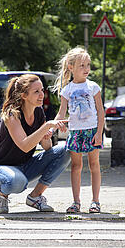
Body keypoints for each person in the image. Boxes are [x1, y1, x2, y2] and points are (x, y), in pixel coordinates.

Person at [0, 74, 70, 214]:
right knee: (17, 181)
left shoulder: (39, 112)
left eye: (42, 90)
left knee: (65, 149)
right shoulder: (12, 114)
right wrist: (46, 126)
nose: (42, 95)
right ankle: (3, 196)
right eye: (36, 92)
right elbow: (25, 146)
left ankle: (35, 196)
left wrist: (45, 136)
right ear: (24, 95)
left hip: (24, 167)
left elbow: (48, 148)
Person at [52, 47, 105, 214]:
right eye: (82, 65)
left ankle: (95, 201)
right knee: (76, 166)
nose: (86, 69)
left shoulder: (93, 87)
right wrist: (55, 124)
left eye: (88, 65)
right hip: (75, 132)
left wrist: (99, 132)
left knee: (94, 164)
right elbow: (62, 112)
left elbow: (100, 111)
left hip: (92, 131)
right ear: (71, 67)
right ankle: (76, 202)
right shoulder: (67, 90)